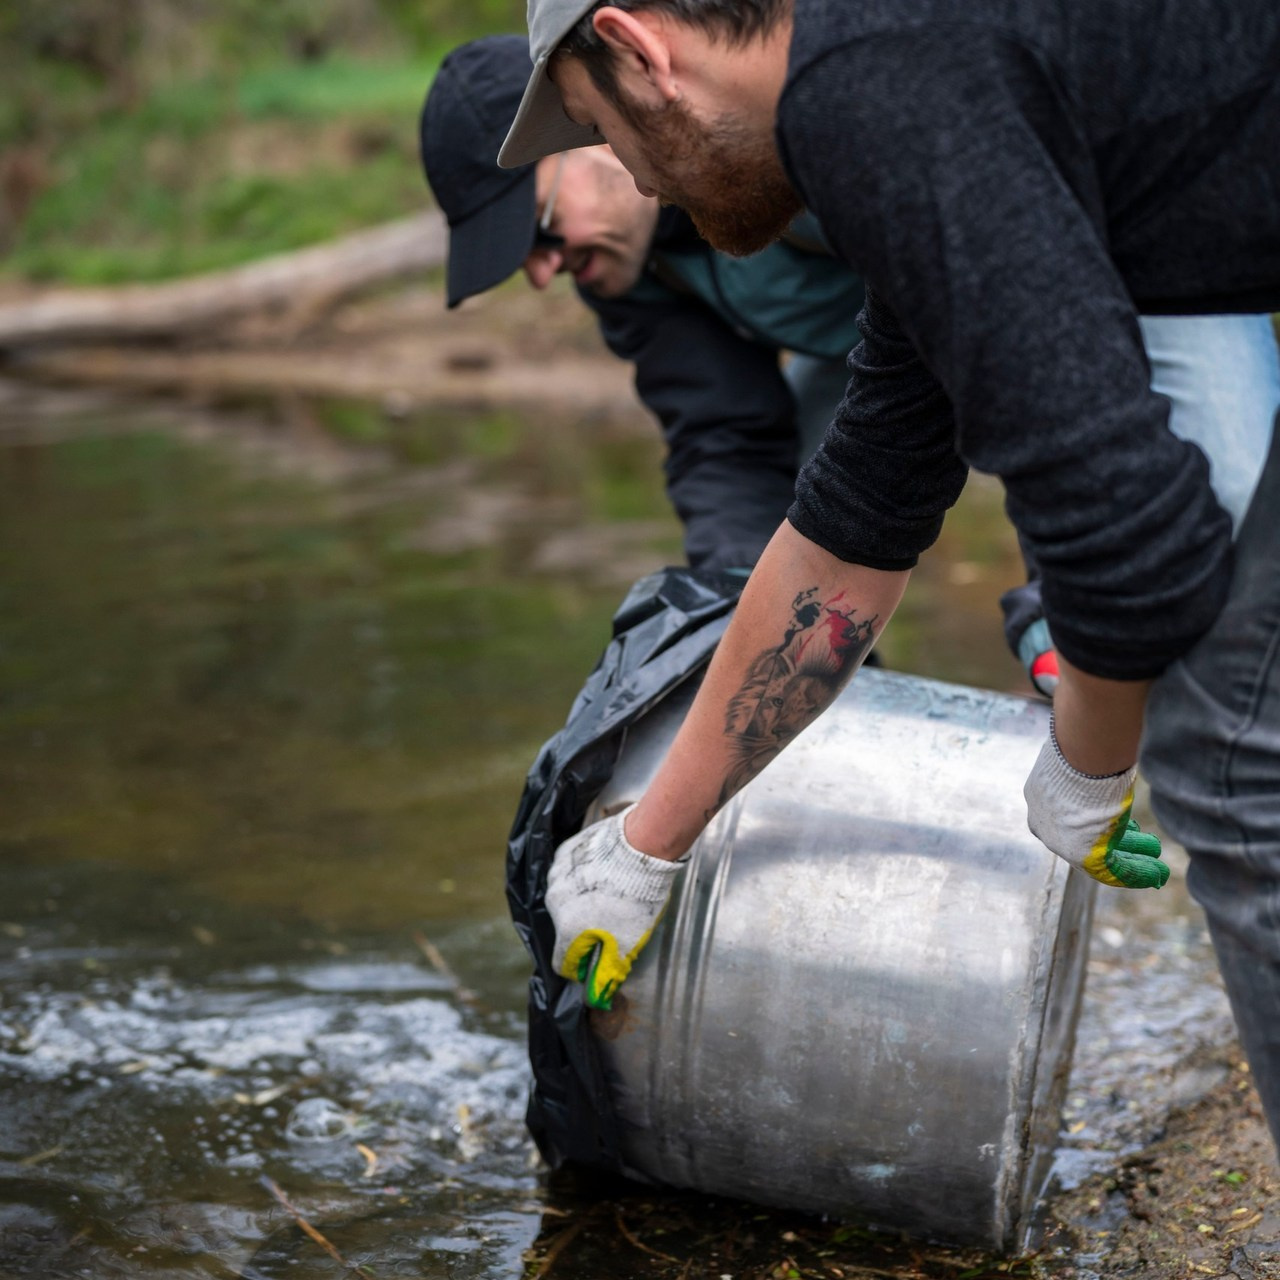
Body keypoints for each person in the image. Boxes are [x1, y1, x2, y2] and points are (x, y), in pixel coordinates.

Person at [498, 0, 1280, 1152]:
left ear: (639, 50)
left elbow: (1131, 543)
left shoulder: (873, 81)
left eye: (600, 128)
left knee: (1227, 757)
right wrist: (642, 847)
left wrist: (1084, 766)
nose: (638, 178)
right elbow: (861, 510)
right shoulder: (888, 68)